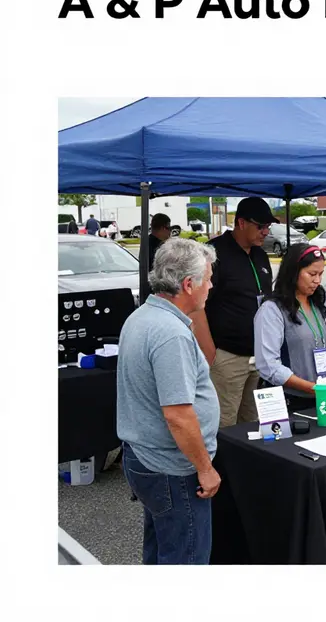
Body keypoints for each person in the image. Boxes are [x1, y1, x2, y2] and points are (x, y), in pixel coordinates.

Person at [116, 238, 221, 565]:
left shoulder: (142, 316)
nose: (211, 285)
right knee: (184, 560)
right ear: (189, 284)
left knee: (161, 550)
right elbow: (178, 414)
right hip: (172, 469)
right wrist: (205, 469)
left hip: (147, 458)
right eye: (208, 278)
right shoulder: (170, 333)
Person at [192, 197, 277, 428]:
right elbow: (196, 307)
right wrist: (211, 353)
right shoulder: (215, 254)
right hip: (226, 356)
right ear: (241, 223)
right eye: (260, 226)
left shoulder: (260, 254)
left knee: (251, 422)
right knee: (223, 424)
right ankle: (215, 465)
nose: (265, 232)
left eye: (268, 227)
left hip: (257, 356)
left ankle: (246, 465)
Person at [254, 243, 326, 410]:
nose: (317, 281)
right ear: (293, 273)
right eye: (312, 274)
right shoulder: (272, 310)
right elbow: (268, 365)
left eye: (321, 274)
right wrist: (311, 388)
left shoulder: (322, 300)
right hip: (292, 400)